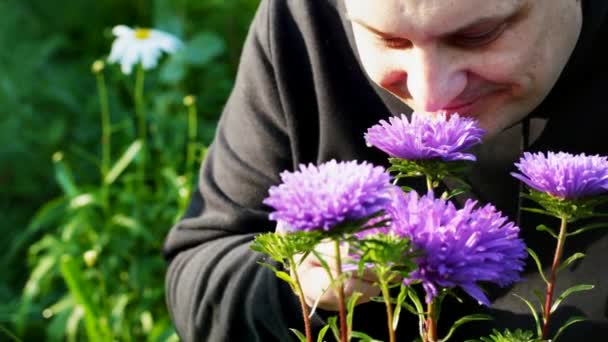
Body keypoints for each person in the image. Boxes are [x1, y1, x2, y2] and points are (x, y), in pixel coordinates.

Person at [163, 0, 608, 340]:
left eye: (478, 35)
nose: (430, 96)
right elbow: (201, 274)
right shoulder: (303, 20)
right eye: (388, 40)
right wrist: (306, 284)